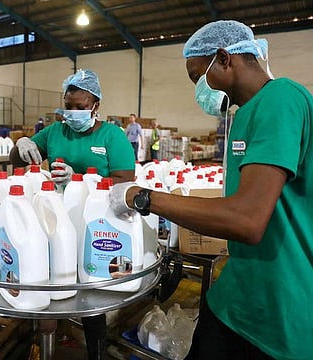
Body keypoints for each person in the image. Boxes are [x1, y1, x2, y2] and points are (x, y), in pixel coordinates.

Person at [109, 20, 313, 360]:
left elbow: (246, 220)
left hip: (279, 311)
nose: (198, 90)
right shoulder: (245, 114)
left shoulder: (281, 99)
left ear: (224, 59)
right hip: (238, 298)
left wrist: (143, 197)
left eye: (197, 77)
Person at [10, 69, 135, 359]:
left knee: (91, 297)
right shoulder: (55, 131)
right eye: (68, 106)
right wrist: (22, 144)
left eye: (80, 107)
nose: (73, 112)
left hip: (95, 226)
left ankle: (95, 350)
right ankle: (46, 343)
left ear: (96, 105)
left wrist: (79, 178)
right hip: (54, 221)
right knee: (50, 287)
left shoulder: (112, 136)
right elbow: (19, 159)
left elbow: (126, 182)